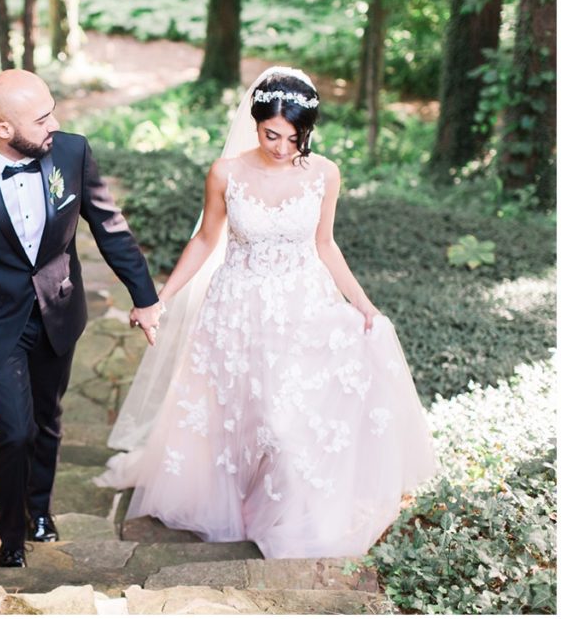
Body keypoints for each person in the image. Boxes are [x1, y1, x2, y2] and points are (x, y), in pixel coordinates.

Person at [108, 66, 439, 559]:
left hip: (302, 308)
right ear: (255, 122)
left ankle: (285, 513)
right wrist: (163, 298)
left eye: (294, 137)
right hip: (236, 308)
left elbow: (326, 245)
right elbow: (205, 240)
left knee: (287, 421)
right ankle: (235, 499)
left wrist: (364, 305)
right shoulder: (226, 173)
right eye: (272, 134)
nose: (282, 147)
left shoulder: (325, 173)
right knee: (238, 415)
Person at [0, 69, 162, 567]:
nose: (55, 123)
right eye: (42, 118)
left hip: (58, 310)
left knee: (48, 421)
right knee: (14, 432)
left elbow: (110, 229)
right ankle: (9, 535)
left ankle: (39, 510)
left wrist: (145, 299)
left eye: (52, 109)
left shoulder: (71, 152)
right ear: (4, 128)